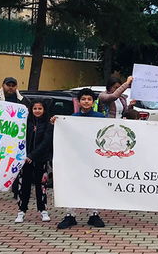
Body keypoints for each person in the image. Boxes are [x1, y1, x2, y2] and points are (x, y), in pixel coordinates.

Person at [56, 88, 107, 229]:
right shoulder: (73, 118)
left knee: (94, 185)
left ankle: (93, 214)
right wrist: (57, 122)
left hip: (93, 158)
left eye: (89, 99)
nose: (86, 101)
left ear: (93, 102)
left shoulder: (100, 118)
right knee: (72, 185)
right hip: (75, 159)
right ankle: (70, 215)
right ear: (78, 101)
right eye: (83, 99)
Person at [0, 77, 31, 203]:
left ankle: (16, 191)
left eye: (13, 85)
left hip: (16, 140)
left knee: (16, 165)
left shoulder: (24, 101)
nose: (10, 87)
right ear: (3, 85)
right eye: (8, 85)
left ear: (16, 87)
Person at [15, 100, 53, 224]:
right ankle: (21, 211)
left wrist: (32, 155)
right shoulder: (26, 123)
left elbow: (46, 142)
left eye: (40, 108)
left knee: (41, 186)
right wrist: (25, 156)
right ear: (31, 110)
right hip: (25, 160)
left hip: (41, 160)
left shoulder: (48, 124)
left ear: (44, 110)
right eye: (35, 108)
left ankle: (43, 210)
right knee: (24, 186)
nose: (37, 111)